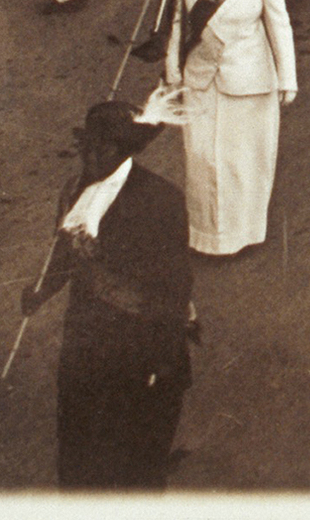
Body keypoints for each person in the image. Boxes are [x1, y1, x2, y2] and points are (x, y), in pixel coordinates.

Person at [16, 100, 194, 489]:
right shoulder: (73, 190)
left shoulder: (160, 201)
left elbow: (175, 289)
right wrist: (43, 290)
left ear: (126, 150)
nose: (94, 158)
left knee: (135, 447)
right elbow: (63, 253)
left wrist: (162, 362)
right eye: (89, 147)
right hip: (86, 330)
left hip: (141, 341)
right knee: (78, 435)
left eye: (106, 148)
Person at [172, 0, 298, 256]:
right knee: (202, 160)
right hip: (199, 80)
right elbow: (179, 25)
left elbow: (280, 26)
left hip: (248, 81)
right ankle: (206, 235)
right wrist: (172, 73)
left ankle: (242, 234)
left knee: (242, 162)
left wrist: (288, 78)